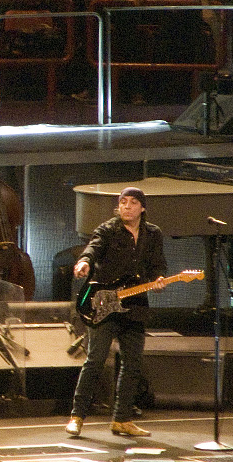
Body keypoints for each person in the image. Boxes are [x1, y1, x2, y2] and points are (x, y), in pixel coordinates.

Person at [66, 186, 167, 438]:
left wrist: (159, 280)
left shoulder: (153, 234)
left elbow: (157, 266)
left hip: (135, 305)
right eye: (123, 202)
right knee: (95, 360)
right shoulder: (107, 229)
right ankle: (77, 416)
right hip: (104, 303)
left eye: (133, 203)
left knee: (132, 363)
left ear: (142, 208)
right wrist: (84, 262)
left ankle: (121, 419)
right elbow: (92, 249)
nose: (127, 207)